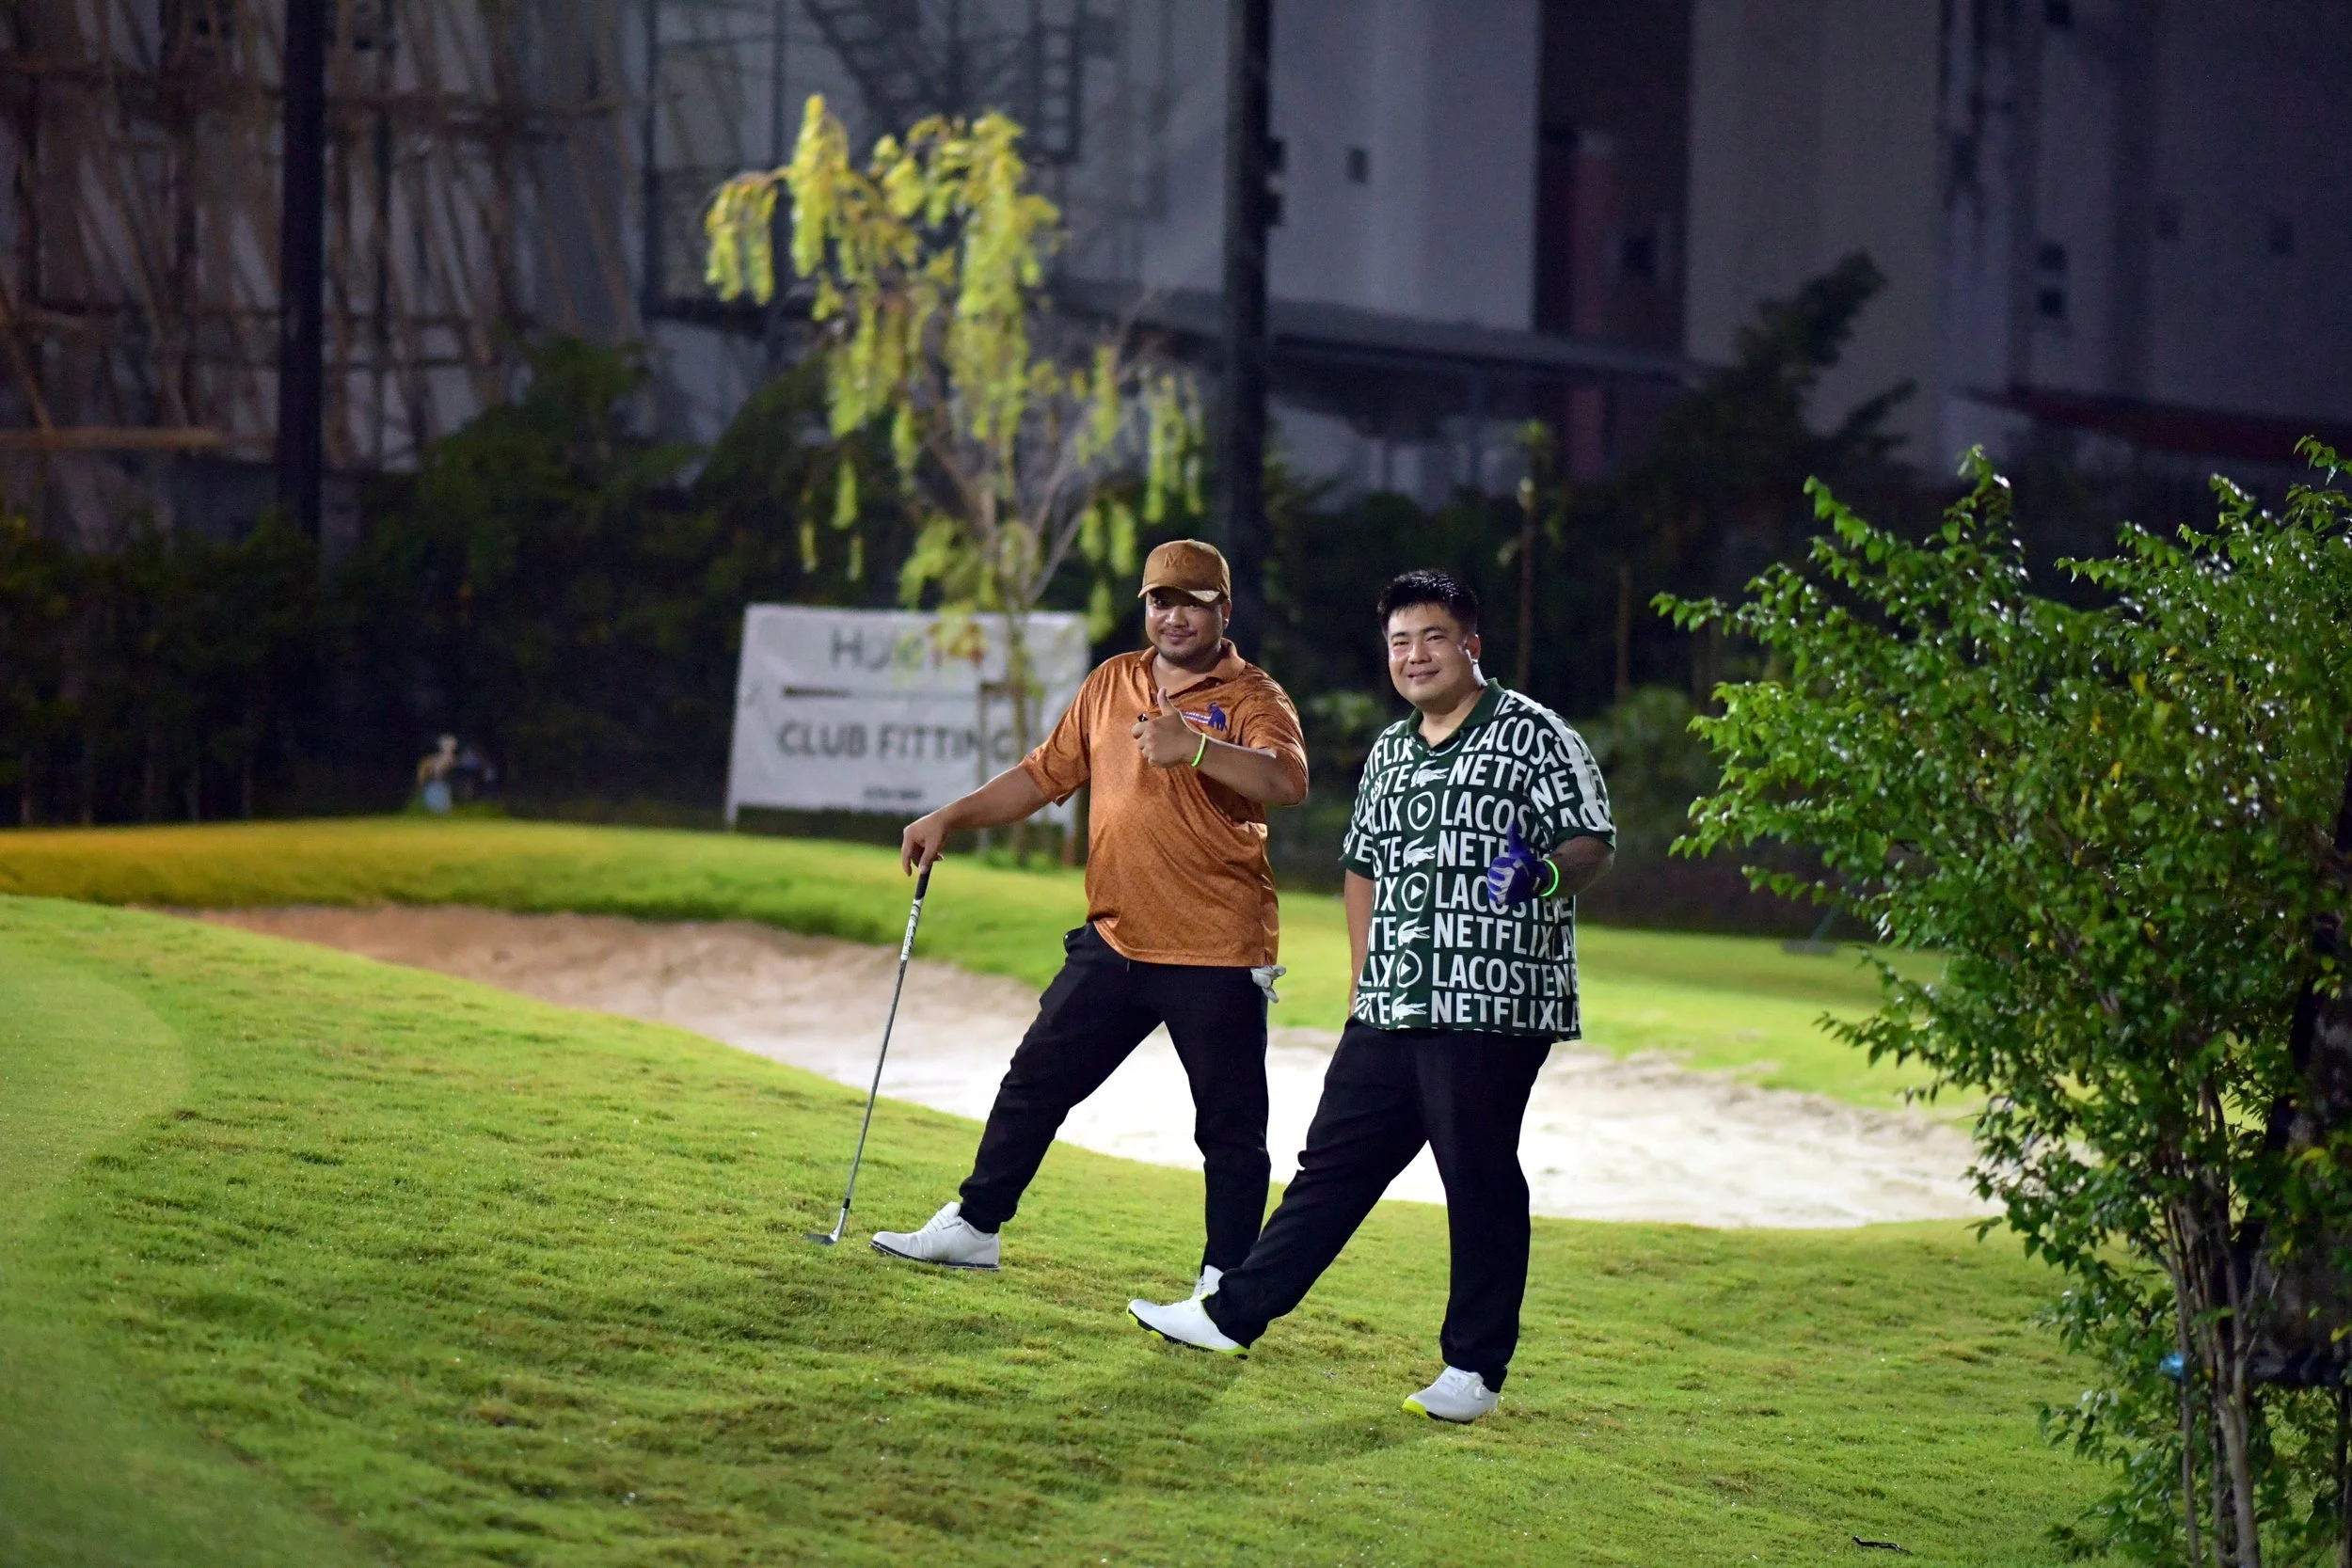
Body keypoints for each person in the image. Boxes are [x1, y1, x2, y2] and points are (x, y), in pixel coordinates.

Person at [1126, 568, 1613, 1424]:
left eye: (1432, 637)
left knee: (1477, 1175)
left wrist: (1540, 873)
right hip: (1390, 1002)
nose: (1414, 655)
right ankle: (1231, 1316)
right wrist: (1363, 980)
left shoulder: (1536, 734)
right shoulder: (1390, 750)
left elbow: (1591, 843)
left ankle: (1474, 1370)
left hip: (1491, 1005)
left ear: (1470, 644)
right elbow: (1363, 867)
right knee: (1331, 1169)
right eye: (1399, 642)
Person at [870, 540, 1310, 1294]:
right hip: (1116, 937)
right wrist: (951, 815)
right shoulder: (1113, 681)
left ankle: (1223, 1285)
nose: (1174, 616)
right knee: (1034, 1081)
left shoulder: (1253, 697)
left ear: (1224, 611)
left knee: (1230, 1129)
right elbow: (1043, 775)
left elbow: (1289, 780)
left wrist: (1195, 746)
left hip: (1217, 949)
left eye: (1194, 602)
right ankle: (976, 1226)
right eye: (1161, 601)